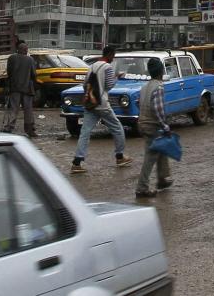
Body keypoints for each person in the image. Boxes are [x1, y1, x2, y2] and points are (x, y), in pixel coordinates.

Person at [71, 45, 131, 173]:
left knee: (85, 132)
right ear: (109, 55)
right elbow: (109, 86)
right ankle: (120, 156)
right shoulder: (107, 67)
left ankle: (77, 162)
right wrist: (117, 77)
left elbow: (84, 84)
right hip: (102, 104)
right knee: (117, 128)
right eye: (113, 56)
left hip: (90, 104)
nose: (113, 59)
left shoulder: (91, 66)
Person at [134, 57, 174, 198]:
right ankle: (142, 188)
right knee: (150, 157)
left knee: (160, 149)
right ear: (161, 71)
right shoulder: (159, 87)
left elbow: (139, 103)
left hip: (142, 123)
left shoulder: (145, 87)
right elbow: (158, 110)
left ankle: (162, 179)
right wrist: (166, 127)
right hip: (152, 126)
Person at [2, 40, 39, 138]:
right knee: (28, 110)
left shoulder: (11, 58)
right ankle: (30, 130)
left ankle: (8, 127)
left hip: (15, 88)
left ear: (18, 50)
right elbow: (34, 75)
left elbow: (9, 73)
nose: (27, 51)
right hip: (27, 89)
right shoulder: (30, 60)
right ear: (25, 50)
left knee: (13, 109)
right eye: (26, 49)